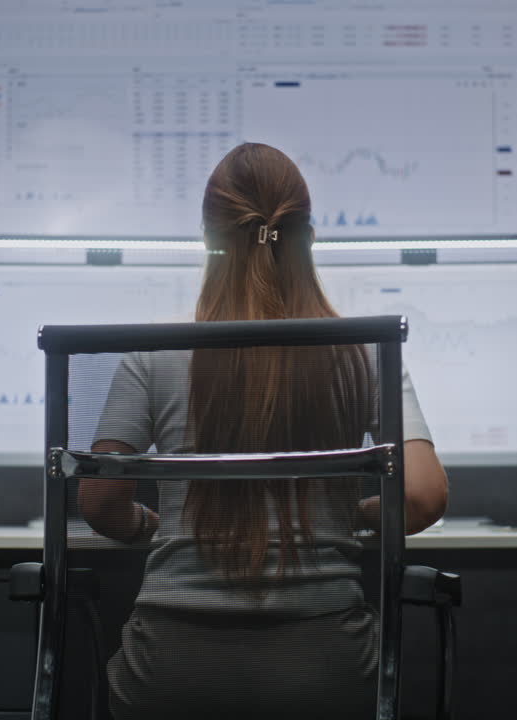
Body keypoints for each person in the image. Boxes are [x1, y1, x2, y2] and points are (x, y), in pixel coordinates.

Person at [78, 142, 448, 720]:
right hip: (324, 670)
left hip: (171, 672)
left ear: (207, 238)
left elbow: (99, 500)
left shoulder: (153, 354)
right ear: (309, 236)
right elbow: (424, 496)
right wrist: (340, 514)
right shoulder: (365, 354)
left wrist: (158, 522)